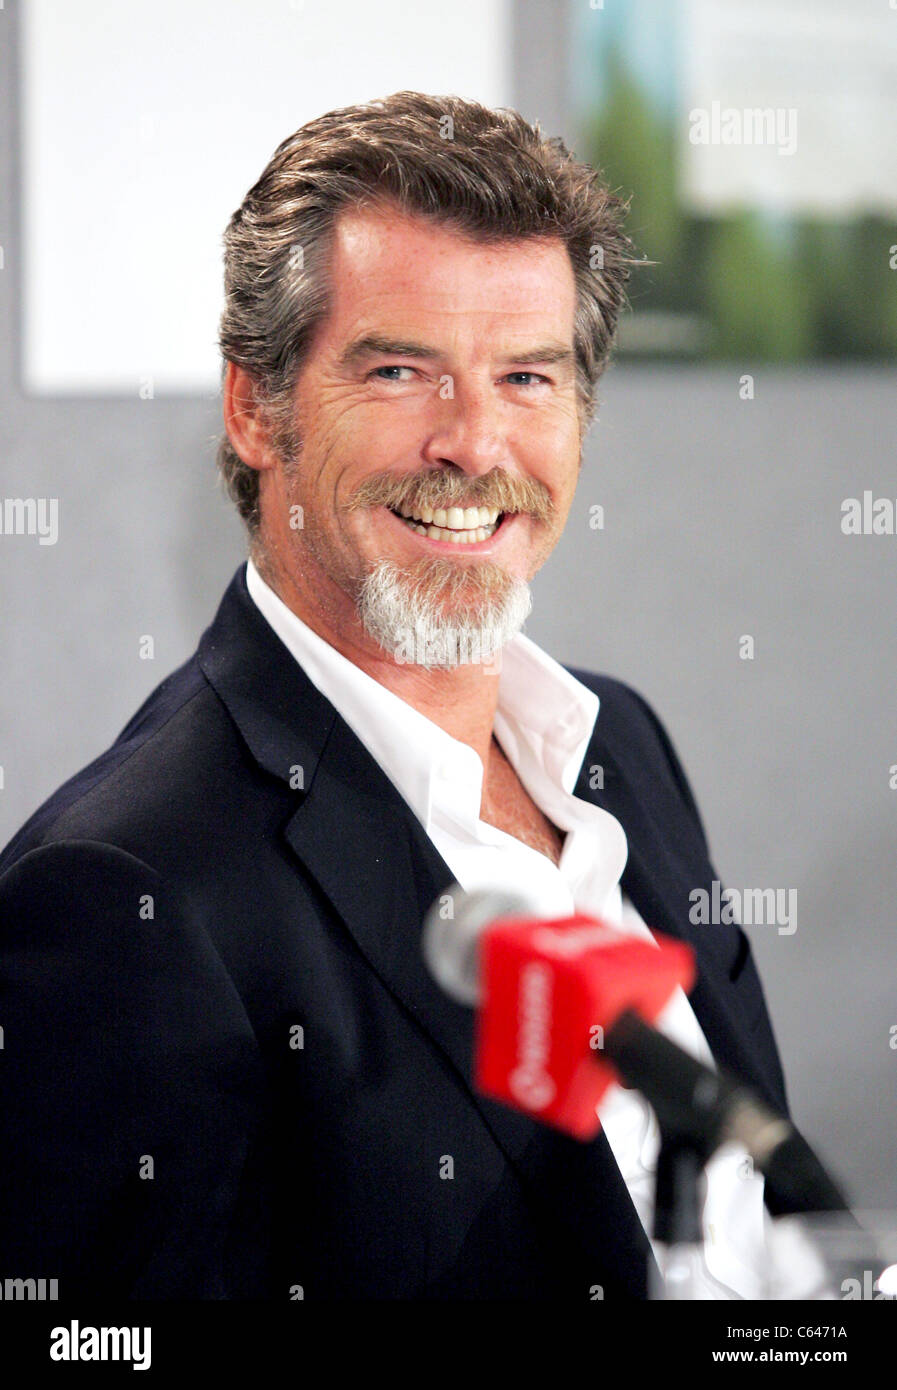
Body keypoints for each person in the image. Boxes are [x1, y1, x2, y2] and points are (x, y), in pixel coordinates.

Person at [0, 92, 788, 1300]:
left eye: (527, 375)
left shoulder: (618, 741)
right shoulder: (123, 892)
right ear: (255, 407)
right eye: (403, 369)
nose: (475, 444)